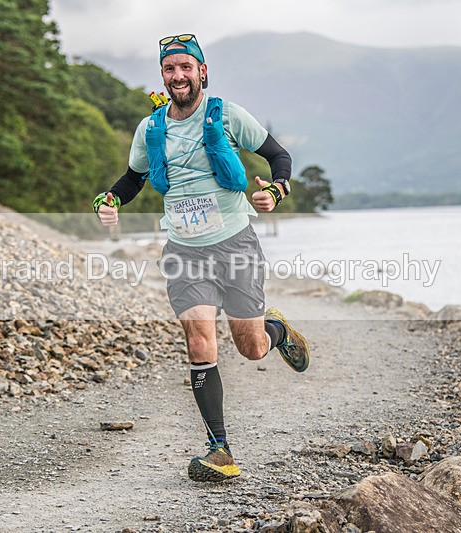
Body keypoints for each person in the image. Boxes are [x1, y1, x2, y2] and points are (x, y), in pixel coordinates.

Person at [93, 33, 310, 482]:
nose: (178, 76)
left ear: (202, 72)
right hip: (184, 250)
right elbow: (133, 179)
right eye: (170, 69)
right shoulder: (151, 128)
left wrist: (275, 189)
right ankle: (220, 450)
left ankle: (276, 329)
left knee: (251, 348)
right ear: (163, 76)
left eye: (185, 68)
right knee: (198, 341)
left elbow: (278, 155)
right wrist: (109, 200)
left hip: (235, 244)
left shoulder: (227, 115)